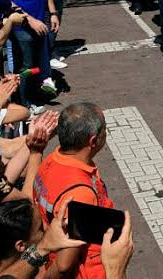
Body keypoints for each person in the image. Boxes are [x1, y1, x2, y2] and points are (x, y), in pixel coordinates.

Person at [32, 103, 115, 278]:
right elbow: (64, 264)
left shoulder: (50, 161)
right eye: (105, 129)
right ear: (93, 141)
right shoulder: (80, 193)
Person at [6, 0, 58, 108]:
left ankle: (36, 96)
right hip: (22, 29)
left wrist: (52, 13)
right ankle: (23, 102)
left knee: (39, 63)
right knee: (25, 67)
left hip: (40, 23)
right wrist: (30, 20)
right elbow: (8, 0)